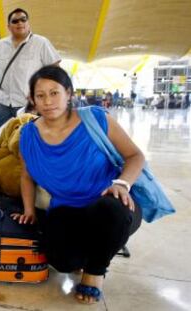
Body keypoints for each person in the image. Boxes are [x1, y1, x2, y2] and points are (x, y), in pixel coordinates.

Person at [16, 65, 144, 304]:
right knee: (62, 261)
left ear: (68, 93)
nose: (48, 101)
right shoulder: (28, 134)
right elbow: (26, 175)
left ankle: (95, 273)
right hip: (67, 209)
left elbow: (135, 156)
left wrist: (122, 184)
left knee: (109, 211)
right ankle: (94, 250)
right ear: (32, 99)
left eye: (54, 93)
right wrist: (29, 210)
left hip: (111, 205)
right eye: (40, 95)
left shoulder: (95, 119)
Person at [0, 8, 61, 165]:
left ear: (28, 22)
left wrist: (43, 91)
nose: (20, 23)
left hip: (28, 102)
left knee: (29, 137)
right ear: (9, 26)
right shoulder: (0, 45)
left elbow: (54, 67)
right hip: (3, 99)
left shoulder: (41, 43)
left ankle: (30, 167)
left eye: (23, 19)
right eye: (15, 21)